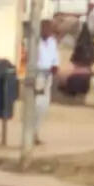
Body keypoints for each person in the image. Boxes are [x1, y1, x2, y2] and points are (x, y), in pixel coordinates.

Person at [33, 18, 60, 146]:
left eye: (49, 28)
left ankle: (36, 133)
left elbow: (55, 58)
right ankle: (31, 133)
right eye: (46, 28)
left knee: (44, 106)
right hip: (38, 75)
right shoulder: (34, 42)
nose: (48, 31)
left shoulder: (52, 42)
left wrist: (55, 66)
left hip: (48, 76)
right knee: (37, 105)